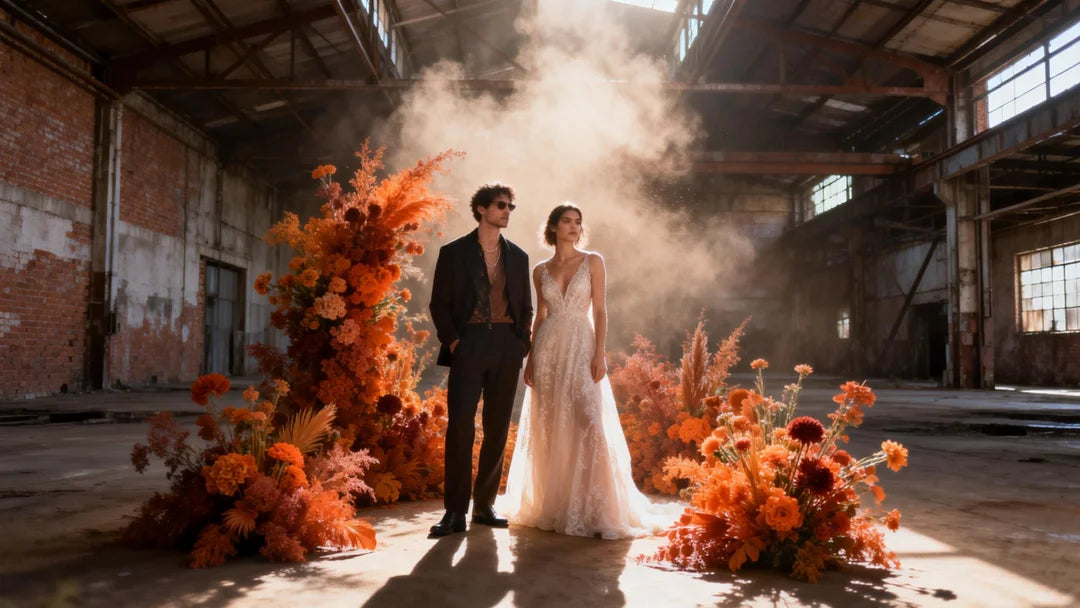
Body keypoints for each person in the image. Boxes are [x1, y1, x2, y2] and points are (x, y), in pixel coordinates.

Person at [498, 203, 680, 539]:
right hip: (549, 348)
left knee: (590, 421)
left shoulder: (593, 260)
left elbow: (600, 311)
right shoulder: (539, 270)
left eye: (578, 222)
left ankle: (597, 507)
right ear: (553, 227)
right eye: (567, 222)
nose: (574, 227)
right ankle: (556, 504)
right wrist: (532, 360)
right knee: (552, 423)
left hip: (582, 345)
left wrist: (600, 353)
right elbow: (539, 317)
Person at [428, 183, 533, 537]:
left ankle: (485, 505)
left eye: (510, 207)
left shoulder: (518, 256)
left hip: (506, 345)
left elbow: (526, 306)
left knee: (498, 426)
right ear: (482, 209)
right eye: (501, 205)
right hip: (468, 342)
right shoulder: (454, 252)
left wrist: (521, 343)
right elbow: (438, 304)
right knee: (460, 426)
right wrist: (455, 342)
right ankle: (455, 512)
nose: (507, 211)